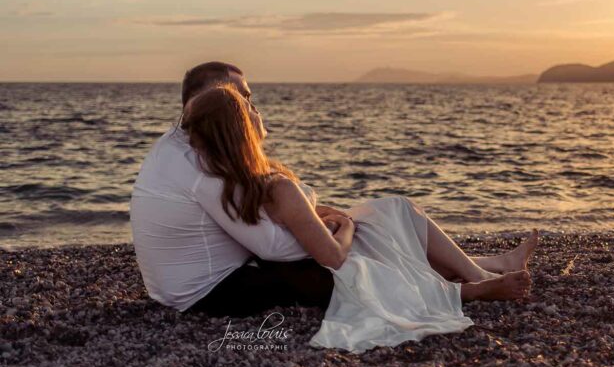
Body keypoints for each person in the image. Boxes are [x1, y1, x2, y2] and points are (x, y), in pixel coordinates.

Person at [130, 61, 533, 325]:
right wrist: (336, 227)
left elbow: (264, 220)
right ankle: (468, 287)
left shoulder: (181, 146)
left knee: (370, 235)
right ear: (220, 104)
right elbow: (278, 249)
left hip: (183, 285)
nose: (252, 106)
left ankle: (480, 266)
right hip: (208, 291)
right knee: (351, 268)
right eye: (243, 98)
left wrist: (311, 218)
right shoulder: (202, 168)